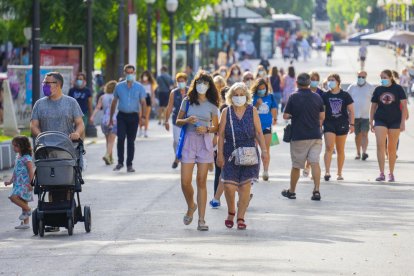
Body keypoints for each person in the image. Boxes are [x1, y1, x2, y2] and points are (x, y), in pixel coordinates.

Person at [31, 71, 85, 232]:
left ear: (58, 85)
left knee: (66, 183)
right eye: (44, 83)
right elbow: (33, 124)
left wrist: (77, 133)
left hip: (67, 150)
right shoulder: (39, 104)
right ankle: (53, 219)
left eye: (48, 83)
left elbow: (80, 123)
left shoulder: (70, 102)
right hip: (46, 150)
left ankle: (66, 212)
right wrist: (39, 134)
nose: (45, 86)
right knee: (51, 183)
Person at [217, 82, 269, 230]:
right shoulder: (226, 112)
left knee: (245, 186)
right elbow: (220, 135)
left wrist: (264, 151)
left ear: (246, 96)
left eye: (241, 95)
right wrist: (219, 154)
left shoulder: (252, 110)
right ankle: (231, 211)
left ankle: (240, 217)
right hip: (230, 153)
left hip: (249, 152)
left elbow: (259, 132)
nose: (238, 97)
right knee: (228, 186)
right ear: (230, 97)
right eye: (236, 95)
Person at [176, 71, 219, 231]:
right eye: (199, 82)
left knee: (201, 181)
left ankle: (201, 219)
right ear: (195, 84)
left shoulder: (213, 104)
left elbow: (217, 126)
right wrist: (187, 120)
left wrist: (207, 129)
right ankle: (191, 205)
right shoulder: (187, 101)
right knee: (185, 181)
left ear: (210, 86)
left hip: (204, 142)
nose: (202, 86)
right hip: (188, 140)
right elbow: (178, 121)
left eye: (205, 83)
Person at [281, 73, 325, 200]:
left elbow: (285, 115)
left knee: (296, 166)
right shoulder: (317, 97)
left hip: (299, 136)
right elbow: (322, 116)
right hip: (316, 135)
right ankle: (316, 191)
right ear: (309, 82)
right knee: (315, 162)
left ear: (297, 83)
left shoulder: (293, 97)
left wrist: (293, 115)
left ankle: (292, 191)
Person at [370, 69, 408, 182]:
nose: (383, 80)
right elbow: (373, 106)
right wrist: (371, 121)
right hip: (380, 119)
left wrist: (402, 122)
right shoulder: (378, 89)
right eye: (381, 77)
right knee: (380, 145)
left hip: (395, 121)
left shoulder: (398, 89)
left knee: (391, 148)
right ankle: (381, 173)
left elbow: (404, 107)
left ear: (391, 77)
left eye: (385, 77)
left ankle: (391, 173)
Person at [109, 64, 147, 173]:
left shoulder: (139, 87)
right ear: (125, 73)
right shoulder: (119, 86)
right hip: (122, 116)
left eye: (132, 72)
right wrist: (111, 117)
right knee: (120, 138)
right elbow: (114, 102)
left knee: (131, 141)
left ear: (134, 73)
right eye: (128, 72)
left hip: (134, 116)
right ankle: (120, 162)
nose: (130, 74)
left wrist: (143, 117)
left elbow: (143, 102)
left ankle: (129, 164)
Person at [322, 74, 355, 181]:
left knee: (340, 149)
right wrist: (319, 124)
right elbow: (322, 111)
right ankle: (327, 171)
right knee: (329, 147)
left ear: (338, 82)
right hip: (329, 124)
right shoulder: (325, 95)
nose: (330, 82)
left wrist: (352, 124)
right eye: (329, 80)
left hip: (342, 124)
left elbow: (351, 111)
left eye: (332, 80)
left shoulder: (345, 95)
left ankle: (339, 173)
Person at [4, 136, 34, 229]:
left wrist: (30, 183)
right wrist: (10, 181)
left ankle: (29, 210)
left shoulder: (27, 158)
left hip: (24, 184)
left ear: (22, 146)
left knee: (13, 197)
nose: (14, 148)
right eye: (13, 146)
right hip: (17, 183)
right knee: (23, 201)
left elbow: (31, 171)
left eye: (16, 146)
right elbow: (16, 170)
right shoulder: (18, 157)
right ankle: (26, 223)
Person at [252, 78, 277, 181]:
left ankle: (265, 170)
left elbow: (274, 108)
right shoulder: (253, 97)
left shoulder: (270, 96)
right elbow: (249, 111)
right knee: (254, 150)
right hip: (254, 127)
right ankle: (254, 172)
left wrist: (275, 118)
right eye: (260, 88)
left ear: (266, 88)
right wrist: (257, 105)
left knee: (265, 149)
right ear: (256, 88)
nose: (262, 90)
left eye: (263, 88)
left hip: (267, 126)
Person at [347, 71, 375, 161]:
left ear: (366, 77)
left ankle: (364, 152)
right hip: (355, 116)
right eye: (359, 76)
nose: (361, 78)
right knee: (357, 135)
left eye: (363, 77)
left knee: (364, 134)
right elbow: (347, 100)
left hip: (366, 116)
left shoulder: (370, 87)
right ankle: (358, 152)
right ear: (357, 76)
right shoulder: (352, 87)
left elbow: (375, 102)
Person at [209, 86, 229, 209]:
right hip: (221, 145)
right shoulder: (222, 110)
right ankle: (216, 198)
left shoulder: (245, 109)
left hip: (234, 145)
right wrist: (215, 147)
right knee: (219, 173)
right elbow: (217, 131)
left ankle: (246, 194)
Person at [90, 80, 118, 165]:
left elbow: (98, 107)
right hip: (114, 119)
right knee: (112, 141)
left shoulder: (102, 97)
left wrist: (92, 116)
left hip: (104, 120)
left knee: (108, 140)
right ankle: (107, 155)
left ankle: (110, 158)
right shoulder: (118, 96)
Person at [165, 72, 189, 169]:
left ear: (186, 81)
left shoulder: (190, 92)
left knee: (186, 141)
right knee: (176, 140)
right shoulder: (173, 93)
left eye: (182, 81)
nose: (180, 83)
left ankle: (180, 159)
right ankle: (177, 156)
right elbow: (169, 107)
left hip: (188, 120)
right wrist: (166, 120)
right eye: (178, 81)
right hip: (176, 120)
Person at [303, 71, 324, 177]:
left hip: (317, 125)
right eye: (312, 79)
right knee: (306, 148)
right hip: (305, 124)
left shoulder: (322, 93)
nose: (314, 81)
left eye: (316, 79)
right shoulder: (304, 92)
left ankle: (309, 167)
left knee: (314, 149)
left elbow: (324, 110)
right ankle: (308, 166)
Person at [139, 70, 157, 138]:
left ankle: (145, 131)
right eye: (144, 76)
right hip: (141, 99)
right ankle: (140, 129)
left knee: (146, 116)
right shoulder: (140, 83)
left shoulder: (150, 84)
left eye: (146, 76)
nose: (145, 77)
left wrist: (153, 101)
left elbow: (152, 93)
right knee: (140, 115)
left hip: (148, 98)